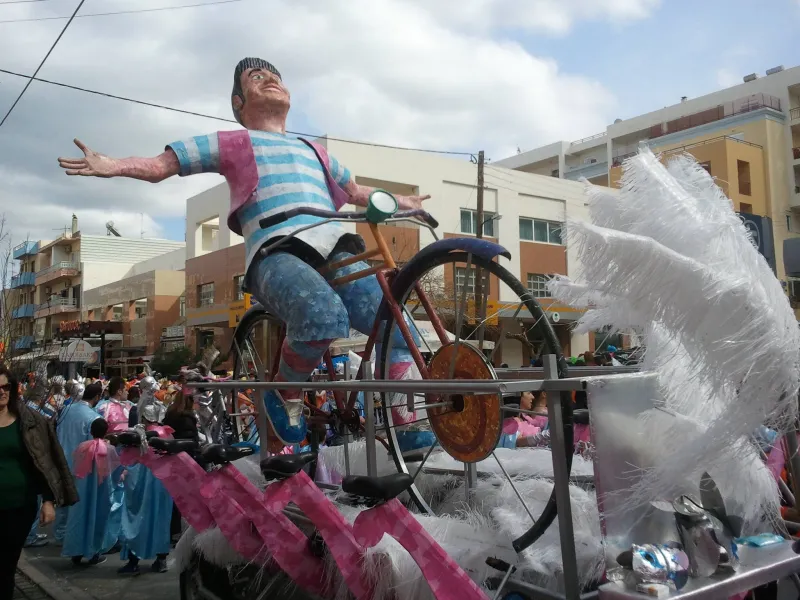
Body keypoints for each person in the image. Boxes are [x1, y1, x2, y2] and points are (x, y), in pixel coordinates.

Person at [58, 57, 429, 447]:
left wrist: (405, 201)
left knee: (397, 321)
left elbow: (356, 192)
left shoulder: (315, 151)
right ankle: (284, 391)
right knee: (321, 315)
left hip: (332, 243)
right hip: (274, 250)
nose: (270, 80)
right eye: (257, 77)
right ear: (239, 102)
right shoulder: (233, 142)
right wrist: (113, 165)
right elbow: (162, 165)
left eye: (276, 77)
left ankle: (400, 421)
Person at [0, 367, 78, 599]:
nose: (2, 392)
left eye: (6, 387)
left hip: (19, 506)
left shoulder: (30, 420)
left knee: (6, 565)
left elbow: (45, 462)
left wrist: (48, 501)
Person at [119, 404, 174, 575]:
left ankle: (133, 560)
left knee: (137, 519)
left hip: (143, 486)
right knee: (161, 519)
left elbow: (129, 460)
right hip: (163, 485)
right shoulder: (167, 433)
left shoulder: (139, 436)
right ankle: (161, 559)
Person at [64, 417, 118, 565]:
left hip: (82, 489)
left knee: (79, 517)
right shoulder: (109, 449)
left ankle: (76, 551)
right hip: (101, 490)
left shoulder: (82, 446)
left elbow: (75, 466)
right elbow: (116, 470)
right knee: (98, 518)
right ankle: (94, 552)